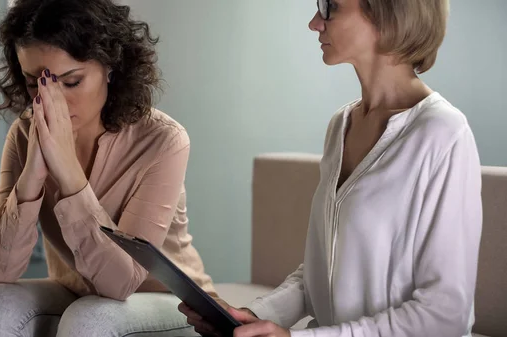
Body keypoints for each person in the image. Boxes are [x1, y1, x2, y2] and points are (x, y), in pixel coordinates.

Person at [180, 0, 482, 336]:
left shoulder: (443, 133)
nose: (314, 23)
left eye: (330, 8)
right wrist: (254, 314)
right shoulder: (341, 124)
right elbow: (322, 274)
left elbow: (446, 314)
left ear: (388, 15)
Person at [0, 0, 217, 336]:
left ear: (110, 68)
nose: (51, 99)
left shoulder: (163, 141)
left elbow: (120, 283)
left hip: (170, 303)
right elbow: (0, 270)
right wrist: (33, 176)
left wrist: (68, 171)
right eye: (32, 83)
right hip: (78, 291)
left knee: (91, 317)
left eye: (70, 82)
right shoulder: (24, 134)